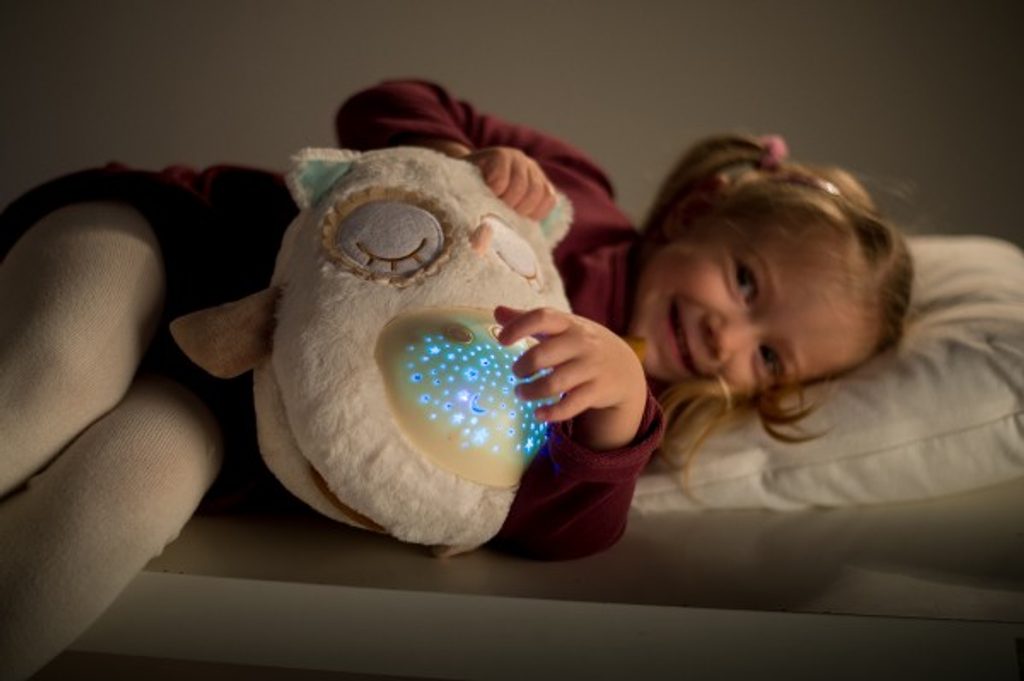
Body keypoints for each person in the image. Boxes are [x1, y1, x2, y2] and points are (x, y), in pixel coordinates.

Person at [0, 79, 911, 678]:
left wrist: (621, 408)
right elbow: (385, 101)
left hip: (232, 412)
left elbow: (560, 531)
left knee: (114, 510)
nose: (727, 336)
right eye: (747, 283)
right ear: (700, 210)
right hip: (183, 242)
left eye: (769, 357)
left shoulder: (613, 402)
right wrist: (460, 157)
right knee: (56, 380)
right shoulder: (577, 192)